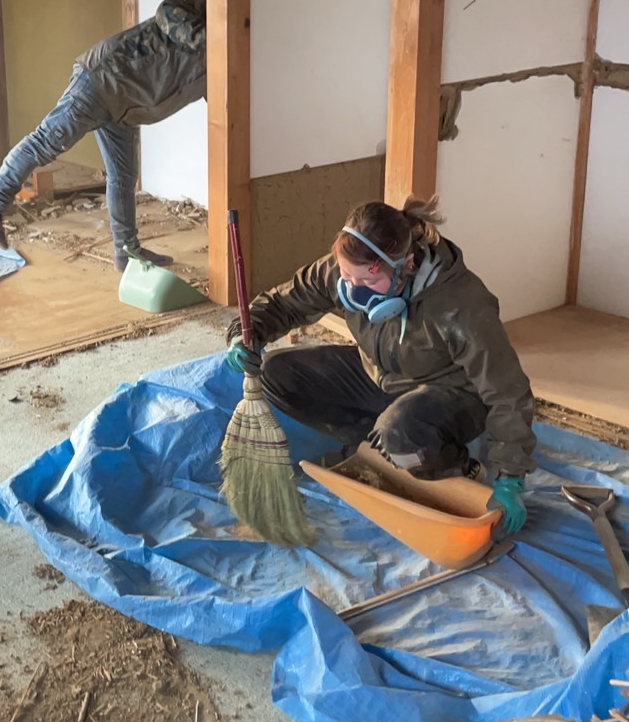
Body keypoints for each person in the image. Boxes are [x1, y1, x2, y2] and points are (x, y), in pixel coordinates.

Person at [227, 196, 535, 534]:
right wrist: (245, 334)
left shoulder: (460, 306)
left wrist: (511, 477)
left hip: (452, 392)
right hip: (381, 376)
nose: (354, 292)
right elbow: (284, 302)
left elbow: (507, 392)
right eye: (347, 276)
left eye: (369, 283)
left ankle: (457, 466)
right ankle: (372, 446)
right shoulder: (346, 272)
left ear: (407, 265)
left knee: (399, 432)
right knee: (277, 374)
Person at [0, 0, 206, 270]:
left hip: (127, 108)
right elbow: (167, 9)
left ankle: (127, 251)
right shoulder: (211, 11)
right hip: (103, 79)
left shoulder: (229, 56)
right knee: (46, 142)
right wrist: (208, 42)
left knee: (124, 176)